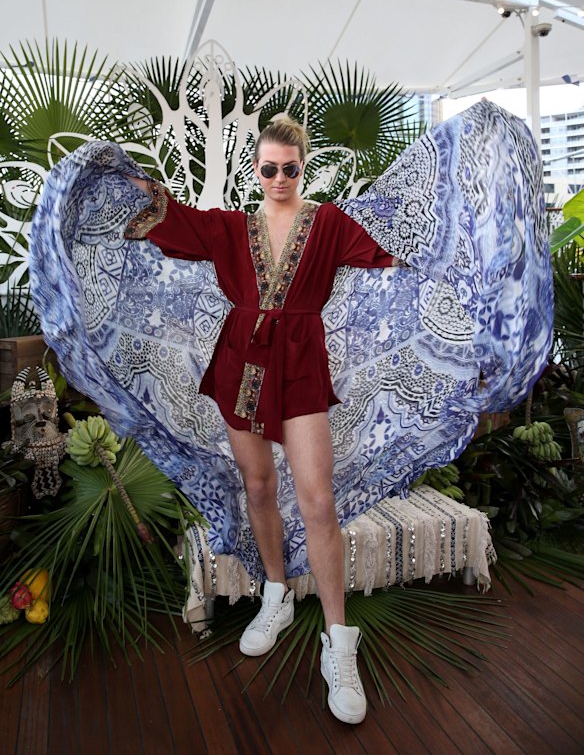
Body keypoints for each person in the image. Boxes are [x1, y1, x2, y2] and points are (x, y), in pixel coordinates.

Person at [126, 118, 402, 724]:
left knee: (318, 500)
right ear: (257, 170)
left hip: (300, 362)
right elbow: (172, 221)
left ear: (304, 168)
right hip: (241, 360)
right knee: (257, 486)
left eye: (290, 168)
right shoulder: (231, 227)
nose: (280, 178)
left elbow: (391, 248)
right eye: (269, 168)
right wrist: (134, 187)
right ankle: (275, 592)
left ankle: (338, 643)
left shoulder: (329, 224)